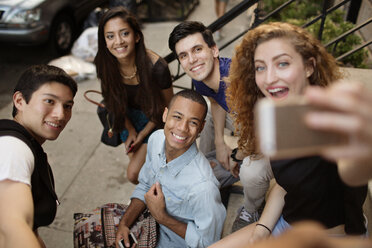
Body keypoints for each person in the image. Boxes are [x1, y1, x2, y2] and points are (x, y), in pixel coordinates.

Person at [209, 22, 368, 248]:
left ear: (309, 67)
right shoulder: (279, 117)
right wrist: (263, 228)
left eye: (282, 63)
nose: (269, 78)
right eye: (260, 67)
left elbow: (354, 173)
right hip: (285, 223)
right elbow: (287, 185)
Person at [169, 20, 272, 229]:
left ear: (214, 50)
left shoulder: (236, 82)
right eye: (184, 55)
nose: (192, 60)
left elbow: (257, 136)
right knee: (206, 120)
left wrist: (235, 155)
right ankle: (206, 170)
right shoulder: (201, 77)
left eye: (197, 49)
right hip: (248, 123)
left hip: (275, 135)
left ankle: (251, 211)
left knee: (250, 172)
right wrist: (219, 142)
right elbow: (215, 101)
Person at [115, 90, 226, 248]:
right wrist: (124, 224)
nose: (182, 128)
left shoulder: (203, 188)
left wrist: (162, 217)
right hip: (146, 225)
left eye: (193, 122)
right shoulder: (156, 138)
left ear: (201, 127)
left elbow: (209, 243)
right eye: (177, 117)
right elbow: (145, 185)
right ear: (165, 115)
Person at [0, 64, 77, 248]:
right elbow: (13, 224)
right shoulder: (13, 149)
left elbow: (30, 229)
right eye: (49, 101)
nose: (61, 115)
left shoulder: (27, 142)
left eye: (67, 106)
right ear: (19, 101)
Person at [94, 6, 173, 184]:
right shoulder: (105, 63)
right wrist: (129, 130)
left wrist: (142, 135)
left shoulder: (157, 67)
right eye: (110, 36)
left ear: (136, 36)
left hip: (155, 120)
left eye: (124, 33)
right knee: (142, 172)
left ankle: (159, 197)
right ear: (104, 41)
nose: (118, 42)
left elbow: (168, 110)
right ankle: (153, 199)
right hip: (126, 118)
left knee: (134, 174)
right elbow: (113, 100)